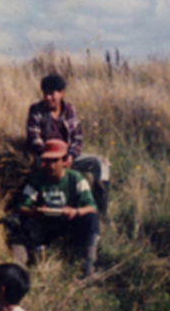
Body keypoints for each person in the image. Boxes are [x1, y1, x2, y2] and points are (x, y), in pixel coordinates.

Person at [9, 139, 100, 275]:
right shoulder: (37, 179)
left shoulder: (76, 178)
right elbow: (22, 206)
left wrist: (75, 212)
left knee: (91, 219)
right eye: (47, 161)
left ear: (64, 161)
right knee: (15, 220)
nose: (50, 166)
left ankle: (88, 264)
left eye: (55, 160)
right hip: (45, 224)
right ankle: (21, 261)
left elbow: (92, 207)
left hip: (68, 224)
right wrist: (35, 213)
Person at [26, 74, 110, 215]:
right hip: (46, 157)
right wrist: (52, 158)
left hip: (68, 156)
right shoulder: (36, 110)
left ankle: (99, 211)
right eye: (45, 93)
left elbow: (78, 136)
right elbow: (34, 139)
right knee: (43, 170)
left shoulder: (69, 110)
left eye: (52, 94)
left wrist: (71, 155)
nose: (48, 98)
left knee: (101, 164)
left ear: (62, 93)